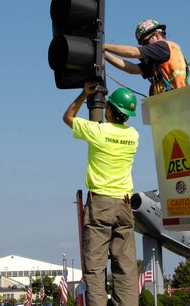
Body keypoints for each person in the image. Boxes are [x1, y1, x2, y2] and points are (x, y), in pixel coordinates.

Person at [63, 81, 139, 306]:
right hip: (124, 206)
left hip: (101, 204)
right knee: (125, 267)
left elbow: (68, 117)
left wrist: (83, 94)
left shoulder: (98, 131)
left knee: (95, 268)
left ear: (109, 108)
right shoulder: (133, 136)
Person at [104, 19, 188, 96]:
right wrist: (105, 54)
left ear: (156, 35)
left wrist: (105, 46)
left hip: (178, 100)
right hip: (173, 102)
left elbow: (132, 52)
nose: (145, 47)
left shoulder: (163, 47)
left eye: (145, 42)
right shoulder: (160, 62)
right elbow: (132, 69)